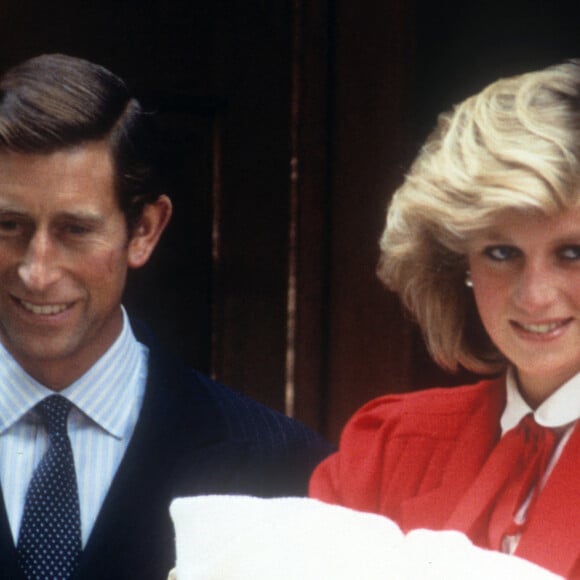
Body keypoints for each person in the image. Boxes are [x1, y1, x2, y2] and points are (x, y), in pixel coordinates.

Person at [0, 53, 332, 580]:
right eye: (8, 225)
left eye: (75, 231)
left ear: (145, 230)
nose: (36, 272)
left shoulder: (280, 464)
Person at [310, 59, 580, 579]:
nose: (534, 295)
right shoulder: (386, 447)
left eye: (571, 252)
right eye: (501, 252)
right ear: (458, 264)